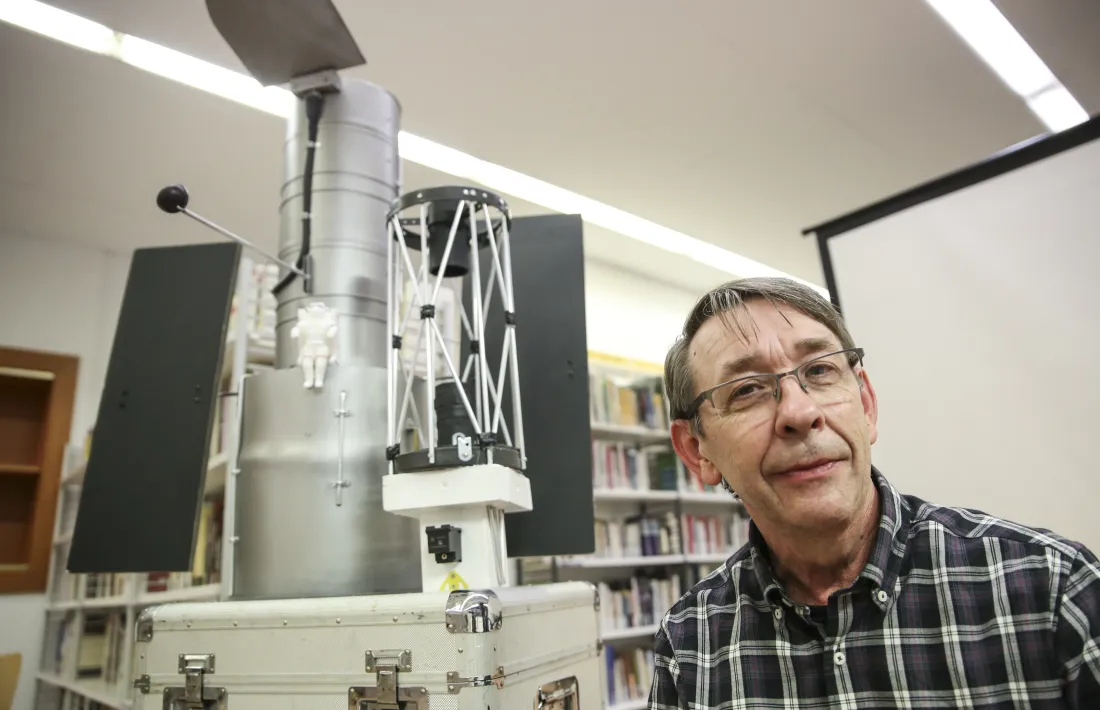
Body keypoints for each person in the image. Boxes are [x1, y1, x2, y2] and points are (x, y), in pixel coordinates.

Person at [649, 276, 1100, 709]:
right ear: (696, 450)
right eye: (746, 389)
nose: (800, 412)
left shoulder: (1054, 588)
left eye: (821, 370)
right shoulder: (691, 643)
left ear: (865, 405)